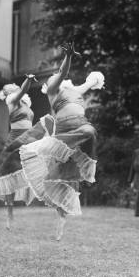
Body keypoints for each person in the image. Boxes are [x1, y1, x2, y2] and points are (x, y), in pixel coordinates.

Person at [17, 43, 105, 240]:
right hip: (65, 130)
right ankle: (60, 212)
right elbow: (63, 71)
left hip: (81, 127)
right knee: (59, 173)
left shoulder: (76, 91)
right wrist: (68, 57)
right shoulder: (53, 90)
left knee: (90, 132)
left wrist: (95, 79)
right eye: (53, 77)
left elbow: (89, 83)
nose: (55, 78)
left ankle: (85, 162)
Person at [0, 74, 40, 230]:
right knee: (9, 177)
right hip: (15, 140)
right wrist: (29, 80)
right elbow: (23, 89)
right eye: (7, 88)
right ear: (7, 94)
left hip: (28, 140)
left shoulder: (26, 104)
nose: (11, 85)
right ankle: (9, 215)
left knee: (33, 170)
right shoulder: (12, 101)